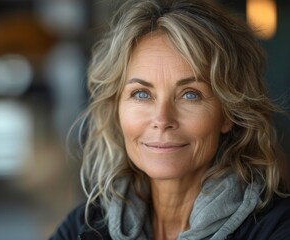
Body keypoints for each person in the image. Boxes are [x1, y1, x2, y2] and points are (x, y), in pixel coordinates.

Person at [50, 0, 290, 239]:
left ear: (228, 113)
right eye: (141, 94)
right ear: (117, 109)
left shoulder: (276, 228)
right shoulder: (83, 228)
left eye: (190, 94)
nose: (162, 119)